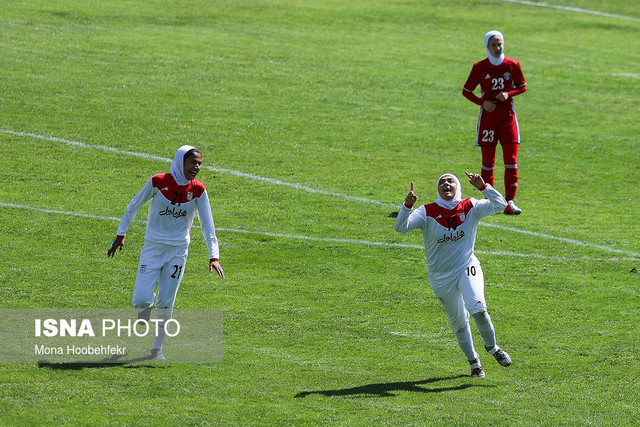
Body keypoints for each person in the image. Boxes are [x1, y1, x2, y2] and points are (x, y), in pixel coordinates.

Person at [107, 145, 225, 360]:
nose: (197, 167)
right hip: (152, 249)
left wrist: (213, 255)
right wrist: (120, 234)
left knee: (167, 303)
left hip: (178, 252)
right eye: (193, 162)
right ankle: (146, 306)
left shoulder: (198, 190)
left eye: (199, 163)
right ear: (181, 161)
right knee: (140, 300)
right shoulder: (158, 182)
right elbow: (134, 206)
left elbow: (208, 225)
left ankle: (157, 350)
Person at [394, 172, 511, 378]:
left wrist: (483, 187)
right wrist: (407, 206)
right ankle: (474, 364)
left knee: (478, 308)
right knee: (458, 322)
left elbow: (500, 205)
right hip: (440, 277)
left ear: (458, 186)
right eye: (441, 182)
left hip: (467, 266)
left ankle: (493, 348)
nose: (446, 184)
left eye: (450, 181)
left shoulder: (470, 206)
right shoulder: (427, 212)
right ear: (437, 190)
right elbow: (400, 227)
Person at [462, 30, 527, 215]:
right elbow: (466, 91)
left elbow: (522, 86)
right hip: (488, 120)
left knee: (511, 161)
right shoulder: (479, 67)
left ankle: (510, 202)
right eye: (493, 45)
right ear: (487, 47)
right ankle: (488, 200)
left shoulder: (513, 65)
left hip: (508, 118)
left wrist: (509, 93)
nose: (497, 48)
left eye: (500, 44)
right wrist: (483, 103)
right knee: (488, 163)